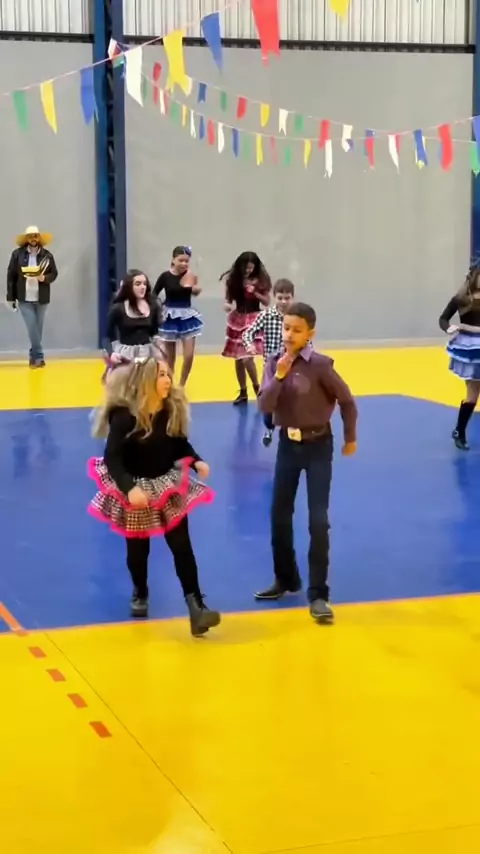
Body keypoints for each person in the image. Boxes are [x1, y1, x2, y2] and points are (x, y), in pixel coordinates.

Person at [88, 357, 221, 636]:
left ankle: (196, 606)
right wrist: (129, 488)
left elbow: (179, 443)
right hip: (135, 488)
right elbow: (112, 458)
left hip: (165, 485)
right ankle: (140, 590)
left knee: (181, 545)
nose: (168, 380)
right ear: (146, 380)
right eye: (161, 375)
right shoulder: (125, 416)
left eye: (168, 374)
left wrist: (195, 460)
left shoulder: (170, 409)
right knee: (138, 549)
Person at [255, 302, 358, 623]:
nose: (289, 335)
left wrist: (350, 437)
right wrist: (279, 376)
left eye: (297, 330)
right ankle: (286, 579)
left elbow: (347, 400)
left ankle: (318, 594)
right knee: (279, 514)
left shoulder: (321, 366)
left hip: (318, 446)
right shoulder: (274, 363)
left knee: (317, 520)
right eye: (286, 328)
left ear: (310, 333)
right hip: (288, 445)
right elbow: (264, 405)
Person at [243, 278, 295, 446]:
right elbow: (248, 333)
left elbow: (307, 340)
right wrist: (250, 345)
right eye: (280, 298)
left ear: (292, 297)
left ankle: (290, 430)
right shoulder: (266, 316)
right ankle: (269, 428)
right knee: (268, 401)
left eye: (287, 298)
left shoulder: (297, 318)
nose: (284, 302)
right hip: (271, 368)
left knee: (293, 399)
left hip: (293, 366)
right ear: (274, 297)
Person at [221, 251, 271, 405]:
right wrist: (227, 305)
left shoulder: (260, 280)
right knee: (238, 358)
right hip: (238, 318)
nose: (248, 270)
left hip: (253, 318)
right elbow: (228, 300)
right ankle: (243, 391)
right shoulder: (234, 280)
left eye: (251, 267)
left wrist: (254, 292)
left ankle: (257, 388)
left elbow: (267, 301)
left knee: (247, 357)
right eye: (246, 267)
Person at [439, 265, 480, 450]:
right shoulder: (461, 298)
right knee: (473, 393)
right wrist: (449, 328)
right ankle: (459, 431)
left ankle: (459, 431)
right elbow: (443, 318)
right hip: (471, 349)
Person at [6, 225, 58, 368]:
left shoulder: (47, 256)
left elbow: (54, 273)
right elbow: (11, 276)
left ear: (39, 238)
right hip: (24, 297)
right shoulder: (17, 255)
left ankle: (33, 357)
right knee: (32, 328)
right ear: (26, 239)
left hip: (41, 298)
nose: (33, 239)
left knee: (37, 329)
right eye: (30, 236)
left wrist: (45, 278)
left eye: (35, 236)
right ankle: (39, 357)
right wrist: (10, 297)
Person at [103, 269, 164, 381]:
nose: (142, 287)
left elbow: (154, 332)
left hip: (147, 354)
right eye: (138, 284)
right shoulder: (118, 309)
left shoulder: (153, 306)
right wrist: (111, 353)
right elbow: (107, 337)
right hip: (125, 355)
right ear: (129, 286)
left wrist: (159, 345)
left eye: (144, 284)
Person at [154, 246, 202, 386]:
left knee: (189, 355)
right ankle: (170, 384)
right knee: (170, 356)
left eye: (186, 261)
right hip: (170, 315)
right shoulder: (165, 276)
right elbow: (154, 294)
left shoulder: (190, 276)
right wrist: (157, 308)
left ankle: (182, 384)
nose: (184, 264)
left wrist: (195, 289)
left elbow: (195, 291)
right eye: (181, 260)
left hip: (186, 315)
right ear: (173, 260)